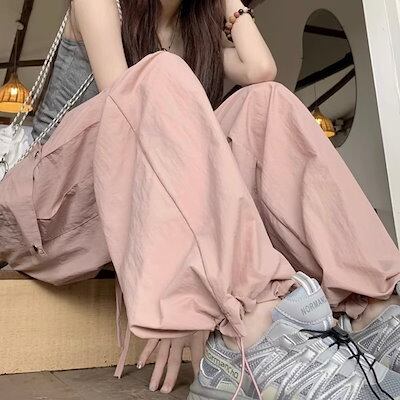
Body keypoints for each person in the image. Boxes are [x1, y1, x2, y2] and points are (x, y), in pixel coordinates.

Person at [5, 0, 400, 398]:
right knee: (158, 74)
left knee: (265, 102)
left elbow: (261, 69)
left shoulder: (194, 36)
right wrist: (184, 282)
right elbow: (131, 122)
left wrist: (230, 5)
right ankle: (249, 332)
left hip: (123, 217)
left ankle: (370, 307)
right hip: (46, 211)